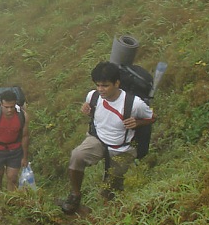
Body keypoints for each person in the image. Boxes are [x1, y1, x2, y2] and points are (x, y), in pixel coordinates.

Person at [60, 61, 155, 213]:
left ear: (117, 83)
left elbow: (151, 117)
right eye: (98, 85)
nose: (100, 89)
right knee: (77, 156)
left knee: (109, 191)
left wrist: (137, 122)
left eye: (105, 85)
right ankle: (75, 195)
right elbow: (99, 113)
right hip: (98, 139)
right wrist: (88, 109)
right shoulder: (93, 96)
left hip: (122, 148)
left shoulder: (134, 104)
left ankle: (105, 216)